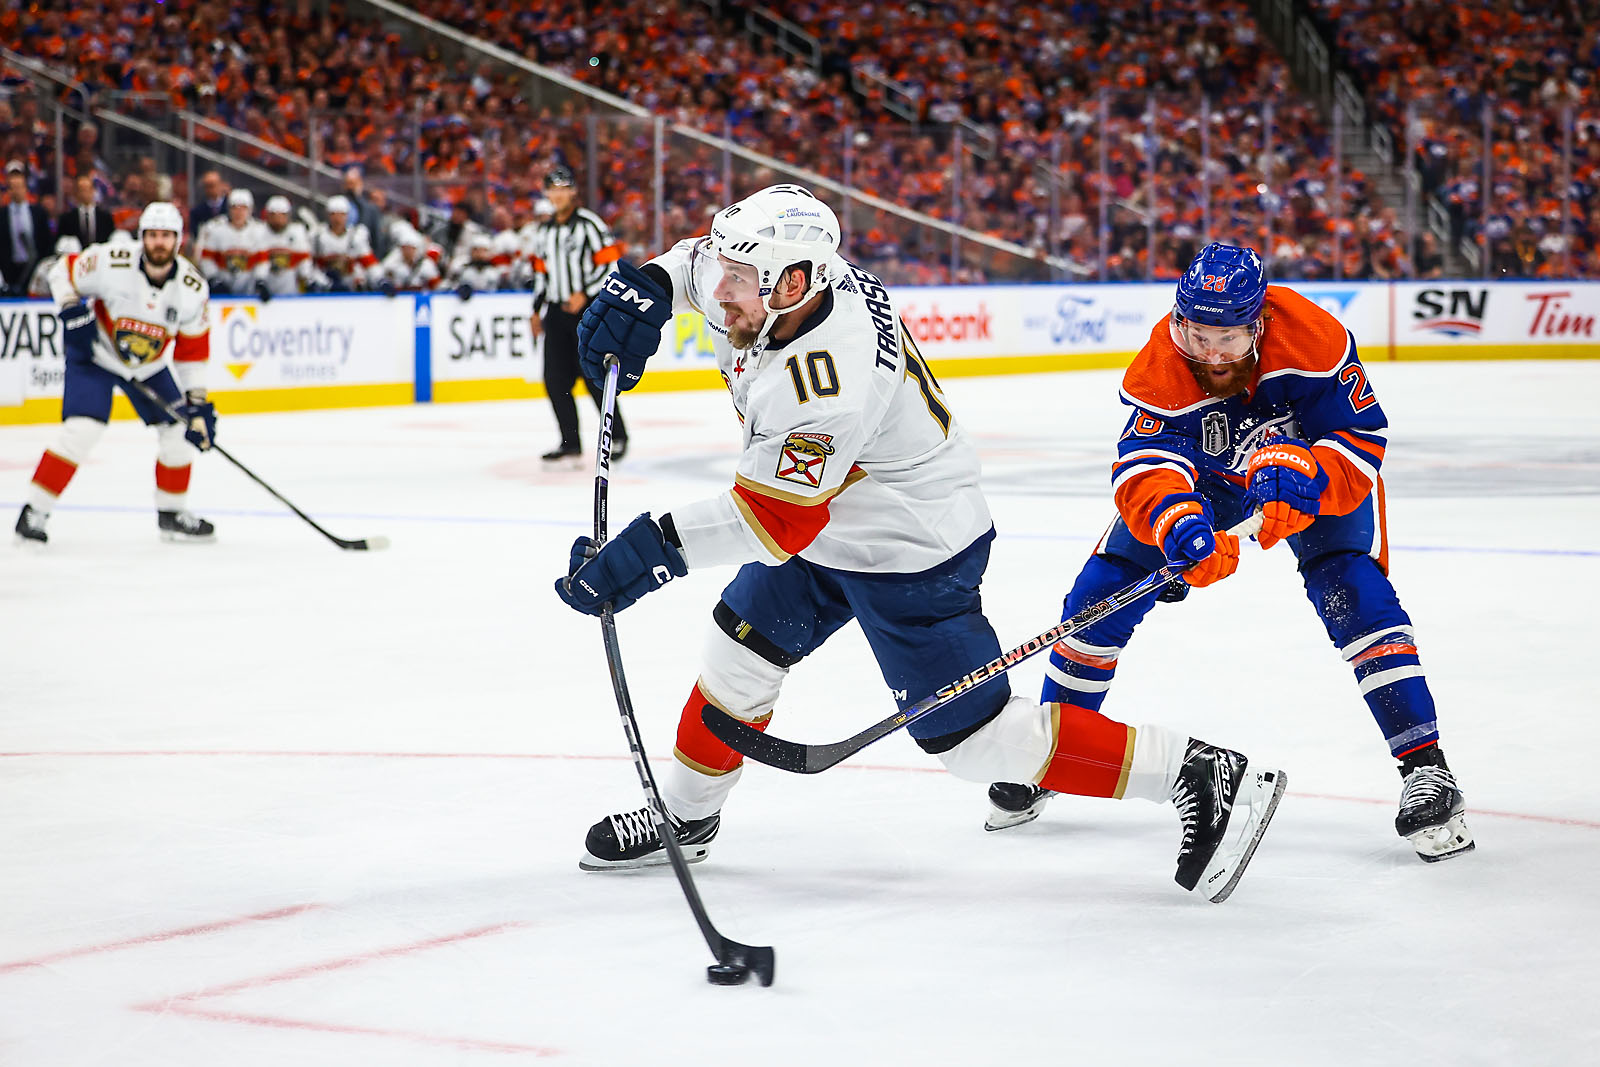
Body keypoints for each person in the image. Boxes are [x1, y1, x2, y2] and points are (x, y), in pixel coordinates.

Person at [552, 185, 1287, 902]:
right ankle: (685, 818)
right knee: (738, 652)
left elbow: (771, 520)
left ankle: (1196, 771)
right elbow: (700, 263)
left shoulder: (826, 379)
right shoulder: (784, 280)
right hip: (835, 517)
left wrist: (640, 557)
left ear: (794, 285)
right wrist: (651, 284)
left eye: (738, 279)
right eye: (724, 270)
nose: (718, 291)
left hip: (911, 543)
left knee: (975, 741)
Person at [985, 242, 1473, 863]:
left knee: (1352, 592)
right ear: (1179, 320)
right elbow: (1145, 466)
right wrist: (1175, 522)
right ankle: (1055, 752)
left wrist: (1313, 477)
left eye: (1229, 339)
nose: (1212, 355)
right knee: (1100, 596)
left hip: (1309, 475)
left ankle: (1426, 768)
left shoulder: (1314, 339)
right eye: (1198, 336)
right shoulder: (1160, 366)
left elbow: (1360, 436)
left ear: (1259, 325)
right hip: (1211, 481)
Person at [14, 202, 217, 546]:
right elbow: (61, 271)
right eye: (152, 235)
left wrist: (196, 404)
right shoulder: (112, 260)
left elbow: (192, 352)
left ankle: (172, 514)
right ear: (142, 237)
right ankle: (35, 511)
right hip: (96, 355)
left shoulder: (192, 289)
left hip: (148, 367)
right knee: (82, 430)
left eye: (166, 236)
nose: (159, 243)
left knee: (179, 431)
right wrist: (71, 308)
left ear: (178, 240)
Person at [528, 165, 627, 463]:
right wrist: (536, 310)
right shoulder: (544, 232)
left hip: (588, 311)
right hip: (557, 313)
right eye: (553, 189)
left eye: (563, 188)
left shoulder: (589, 224)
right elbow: (541, 273)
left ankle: (617, 436)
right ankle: (569, 442)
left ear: (573, 191)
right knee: (555, 379)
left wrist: (584, 292)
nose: (558, 195)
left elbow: (610, 264)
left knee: (593, 375)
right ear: (546, 193)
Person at [195, 188, 265, 296]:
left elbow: (262, 261)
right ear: (229, 209)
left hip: (250, 290)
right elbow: (207, 259)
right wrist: (214, 278)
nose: (239, 212)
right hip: (222, 288)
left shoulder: (259, 230)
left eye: (243, 208)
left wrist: (260, 280)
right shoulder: (215, 228)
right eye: (235, 208)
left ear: (250, 209)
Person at [1, 160, 51, 296]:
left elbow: (45, 241)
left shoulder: (38, 213)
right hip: (9, 269)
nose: (16, 191)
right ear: (8, 190)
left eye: (19, 187)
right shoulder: (2, 215)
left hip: (34, 268)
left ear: (25, 188)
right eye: (13, 187)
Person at [310, 195, 377, 291]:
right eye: (334, 214)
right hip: (325, 287)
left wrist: (380, 279)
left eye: (342, 214)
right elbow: (310, 267)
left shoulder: (357, 235)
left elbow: (369, 263)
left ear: (347, 215)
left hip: (352, 287)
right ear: (328, 215)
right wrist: (326, 283)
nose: (337, 219)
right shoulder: (317, 235)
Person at [254, 195, 315, 298]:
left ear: (288, 216)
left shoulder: (297, 232)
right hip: (265, 292)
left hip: (291, 293)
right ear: (267, 216)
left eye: (281, 215)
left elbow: (304, 261)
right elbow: (260, 263)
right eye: (274, 215)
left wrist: (308, 280)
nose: (278, 219)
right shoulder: (259, 232)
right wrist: (260, 281)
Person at [55, 175, 115, 247]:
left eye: (88, 189)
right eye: (82, 189)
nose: (85, 193)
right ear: (76, 192)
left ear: (93, 191)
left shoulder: (105, 217)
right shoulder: (67, 219)